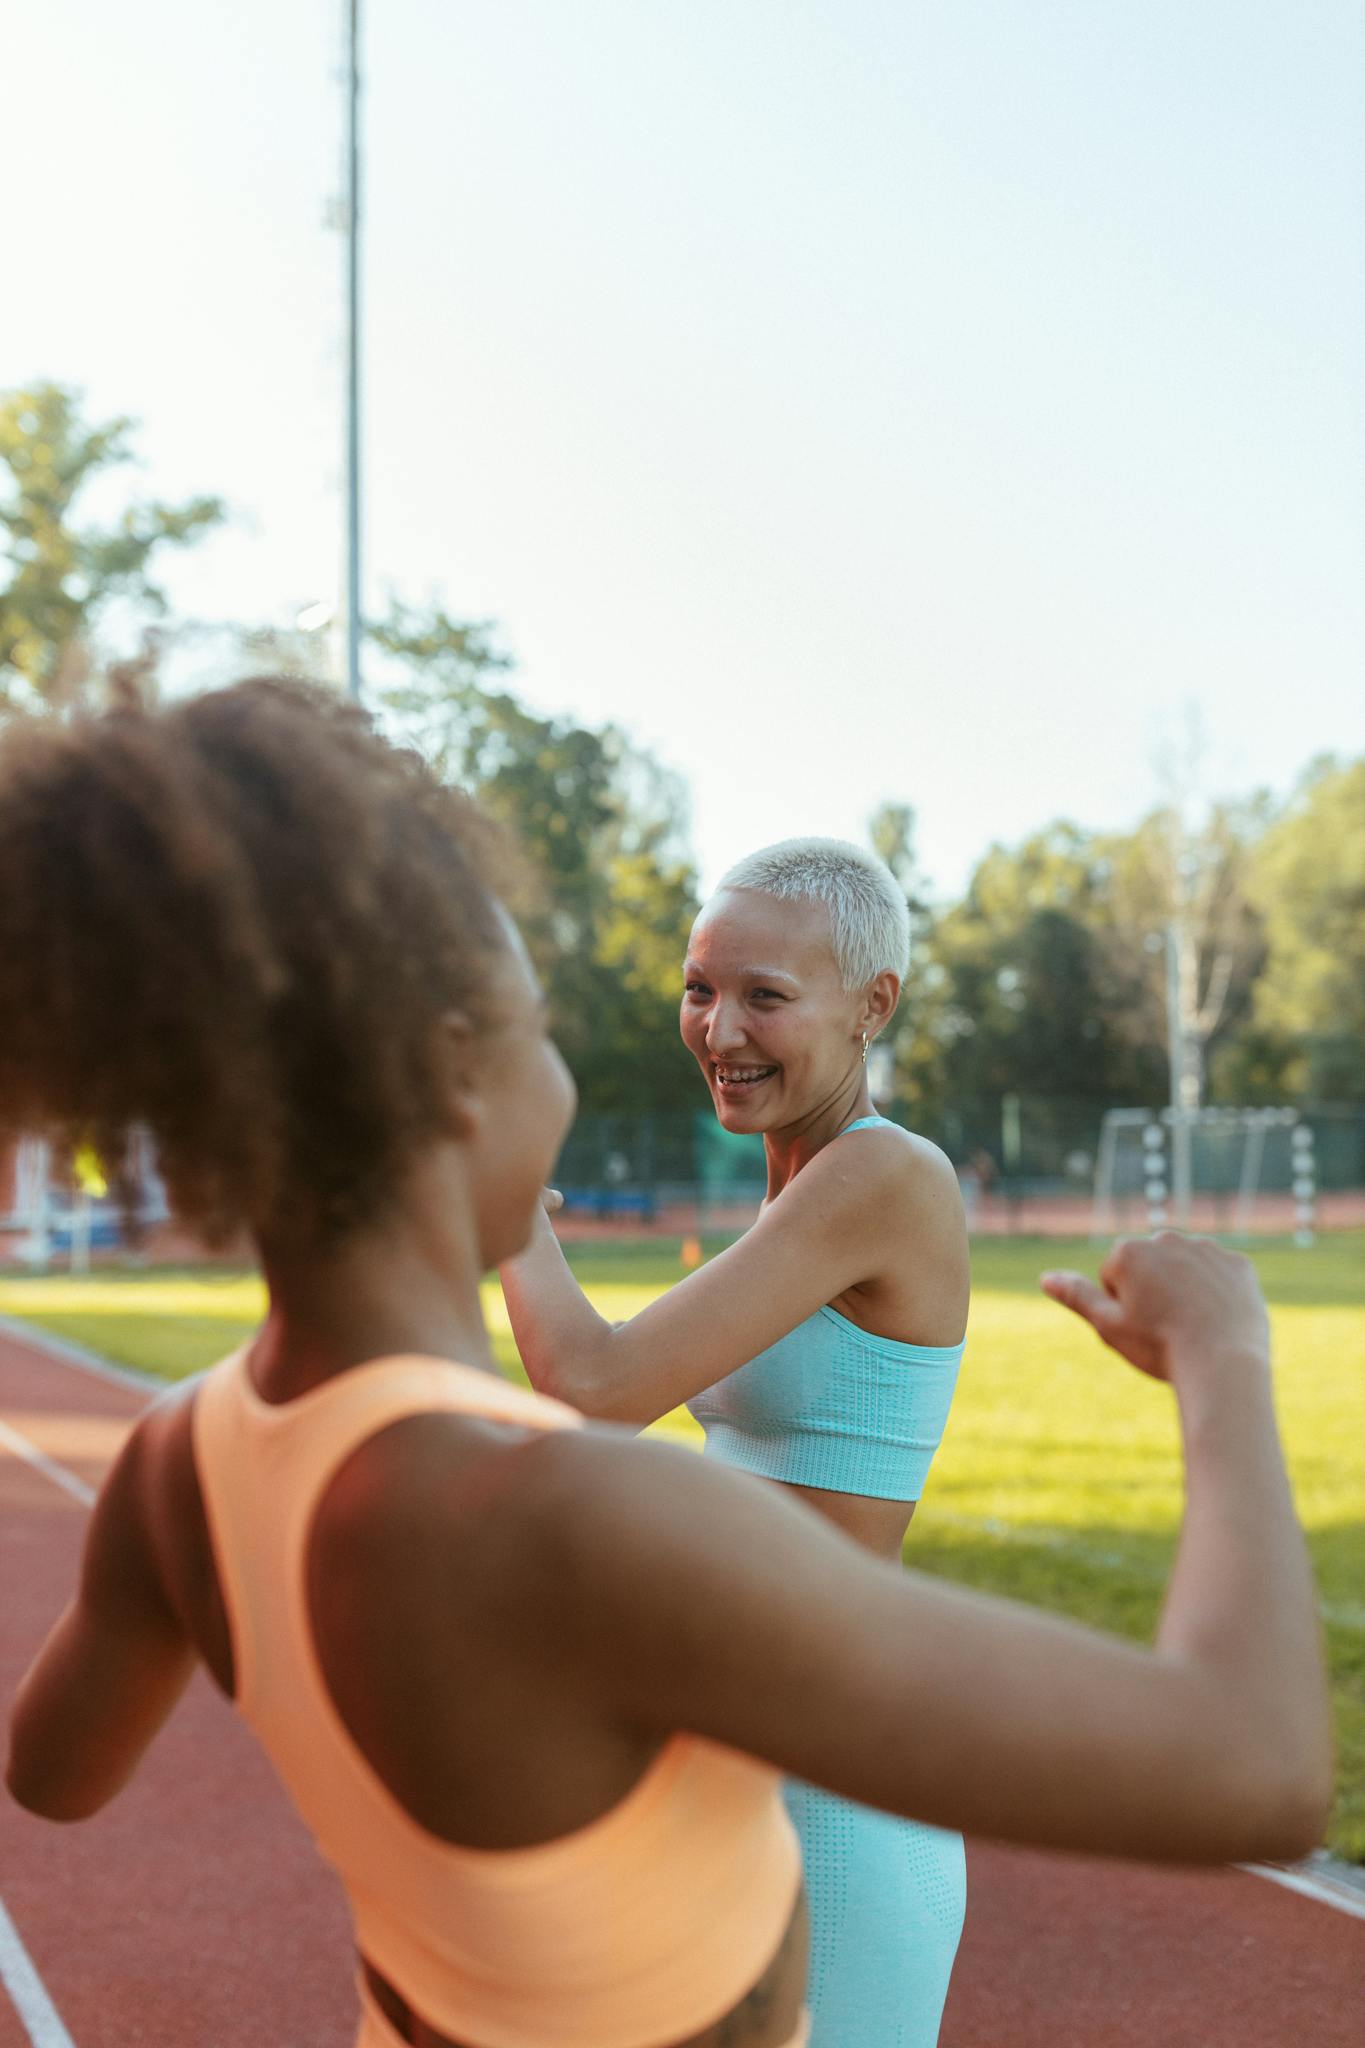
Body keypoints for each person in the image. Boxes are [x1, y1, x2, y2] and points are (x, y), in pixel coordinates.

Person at [3, 681, 1332, 2048]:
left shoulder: (174, 1464)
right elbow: (1260, 1765)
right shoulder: (594, 1524)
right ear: (456, 1080)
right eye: (539, 1027)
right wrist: (1222, 1354)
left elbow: (51, 1774)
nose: (684, 1036)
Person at [502, 838, 975, 2044]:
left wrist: (499, 1207)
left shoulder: (883, 1177)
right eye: (700, 985)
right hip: (737, 1764)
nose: (719, 1027)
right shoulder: (797, 1188)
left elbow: (597, 1383)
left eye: (766, 994)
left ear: (876, 1006)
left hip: (838, 1783)